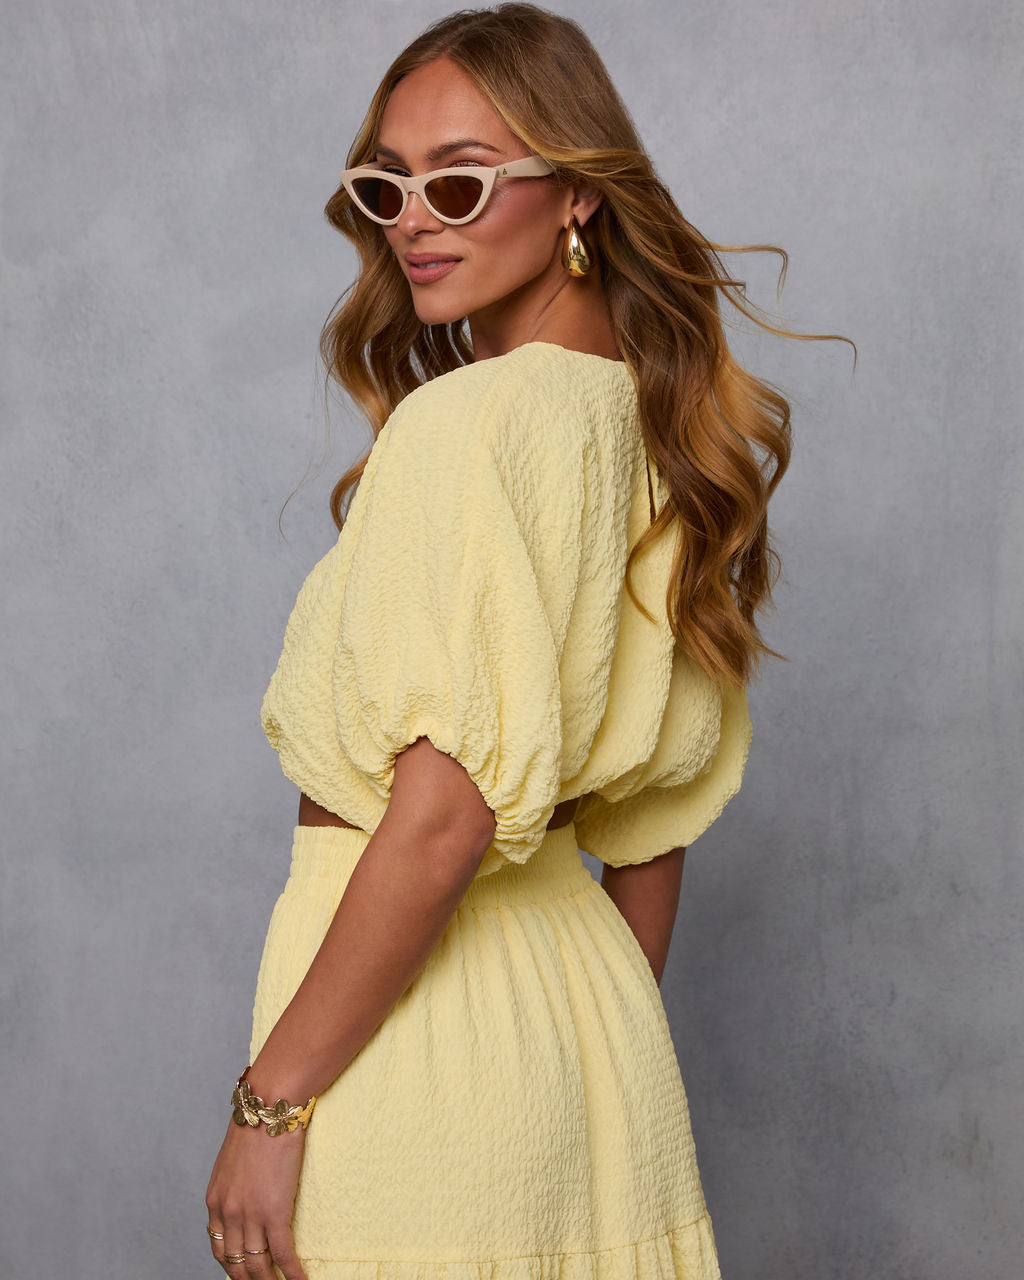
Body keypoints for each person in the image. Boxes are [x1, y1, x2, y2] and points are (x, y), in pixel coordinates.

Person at [204, 5, 850, 1277]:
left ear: (577, 197)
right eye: (387, 184)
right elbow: (651, 824)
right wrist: (583, 1048)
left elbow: (442, 815)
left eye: (459, 181)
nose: (414, 220)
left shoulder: (471, 425)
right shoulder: (661, 433)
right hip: (588, 1032)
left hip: (418, 1043)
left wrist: (268, 1105)